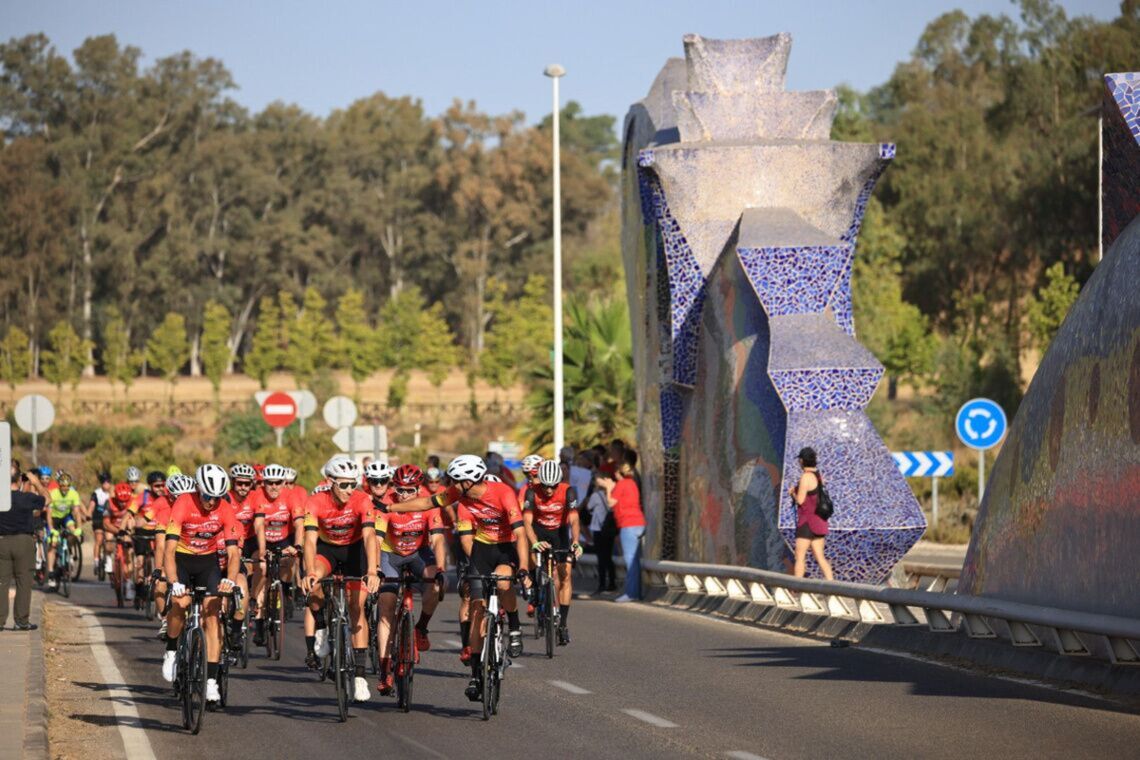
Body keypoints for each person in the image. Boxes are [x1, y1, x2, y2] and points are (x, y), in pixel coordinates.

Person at [387, 455, 530, 702]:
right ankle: (476, 674)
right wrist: (389, 508)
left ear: (470, 480)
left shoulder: (503, 493)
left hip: (506, 548)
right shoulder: (459, 496)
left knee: (505, 583)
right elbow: (426, 504)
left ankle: (514, 627)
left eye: (456, 479)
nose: (451, 483)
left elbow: (520, 532)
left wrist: (525, 567)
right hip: (481, 550)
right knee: (476, 609)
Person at [300, 457, 380, 703]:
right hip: (328, 550)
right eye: (344, 485)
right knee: (313, 587)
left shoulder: (362, 500)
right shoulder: (315, 502)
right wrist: (309, 572)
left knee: (357, 607)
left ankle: (359, 676)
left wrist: (373, 571)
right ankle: (323, 625)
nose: (349, 490)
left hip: (355, 550)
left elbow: (369, 537)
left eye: (352, 485)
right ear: (331, 482)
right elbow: (310, 540)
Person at [162, 464, 240, 705]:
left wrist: (230, 579)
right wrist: (174, 582)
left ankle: (211, 681)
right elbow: (169, 549)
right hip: (183, 560)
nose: (211, 502)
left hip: (208, 563)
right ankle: (172, 650)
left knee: (212, 614)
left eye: (216, 497)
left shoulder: (225, 509)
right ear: (198, 489)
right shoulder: (184, 503)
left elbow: (234, 553)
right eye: (207, 496)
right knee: (181, 601)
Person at [372, 464, 446, 695]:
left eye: (410, 490)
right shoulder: (386, 503)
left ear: (419, 488)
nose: (404, 495)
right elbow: (375, 539)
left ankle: (421, 628)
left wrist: (441, 568)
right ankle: (385, 670)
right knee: (385, 606)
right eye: (400, 489)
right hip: (390, 555)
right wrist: (375, 569)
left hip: (418, 554)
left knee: (435, 585)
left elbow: (438, 539)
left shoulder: (428, 504)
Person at [523, 459, 582, 645]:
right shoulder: (532, 492)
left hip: (559, 533)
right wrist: (534, 543)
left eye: (553, 486)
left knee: (565, 576)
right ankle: (535, 588)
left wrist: (576, 542)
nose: (549, 490)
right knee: (533, 557)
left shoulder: (568, 491)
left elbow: (573, 520)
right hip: (539, 531)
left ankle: (563, 624)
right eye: (546, 486)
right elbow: (526, 521)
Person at [250, 463, 304, 647]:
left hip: (284, 538)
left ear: (283, 483)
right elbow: (258, 525)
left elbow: (298, 524)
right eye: (269, 482)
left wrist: (297, 546)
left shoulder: (291, 496)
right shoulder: (258, 496)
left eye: (278, 482)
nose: (273, 486)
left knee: (290, 560)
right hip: (264, 538)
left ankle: (286, 589)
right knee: (263, 568)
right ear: (263, 483)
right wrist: (263, 550)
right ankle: (258, 618)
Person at [1, 469, 48, 630]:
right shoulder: (27, 498)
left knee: (2, 582)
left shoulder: (1, 499)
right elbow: (47, 499)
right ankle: (21, 621)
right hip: (23, 541)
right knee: (24, 581)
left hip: (2, 541)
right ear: (20, 481)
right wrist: (36, 482)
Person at [789, 447, 834, 580]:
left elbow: (801, 501)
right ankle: (834, 589)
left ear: (802, 461)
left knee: (799, 557)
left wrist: (793, 493)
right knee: (820, 557)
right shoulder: (819, 476)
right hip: (819, 521)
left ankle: (797, 590)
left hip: (807, 523)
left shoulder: (806, 477)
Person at [607, 462, 645, 602]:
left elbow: (611, 503)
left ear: (618, 473)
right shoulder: (632, 483)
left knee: (630, 561)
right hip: (639, 522)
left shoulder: (621, 484)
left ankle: (631, 593)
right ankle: (636, 592)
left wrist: (608, 488)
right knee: (635, 560)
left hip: (628, 524)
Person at [45, 470, 82, 589]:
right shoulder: (53, 493)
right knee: (53, 542)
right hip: (54, 518)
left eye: (67, 486)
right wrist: (51, 529)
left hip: (66, 517)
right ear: (59, 485)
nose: (65, 489)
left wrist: (79, 528)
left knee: (73, 530)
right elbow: (49, 514)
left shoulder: (73, 494)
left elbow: (76, 512)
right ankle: (51, 573)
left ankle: (67, 553)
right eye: (62, 486)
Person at [587, 471, 617, 594]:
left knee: (601, 558)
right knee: (608, 557)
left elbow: (589, 507)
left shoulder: (596, 495)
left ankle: (601, 585)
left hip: (599, 529)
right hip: (609, 528)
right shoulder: (612, 494)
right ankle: (612, 583)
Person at [88, 472, 113, 574]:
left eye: (108, 482)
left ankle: (108, 558)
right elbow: (91, 506)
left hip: (109, 519)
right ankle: (96, 561)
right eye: (104, 482)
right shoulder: (96, 493)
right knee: (99, 540)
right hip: (98, 518)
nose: (106, 485)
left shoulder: (113, 493)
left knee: (109, 540)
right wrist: (89, 514)